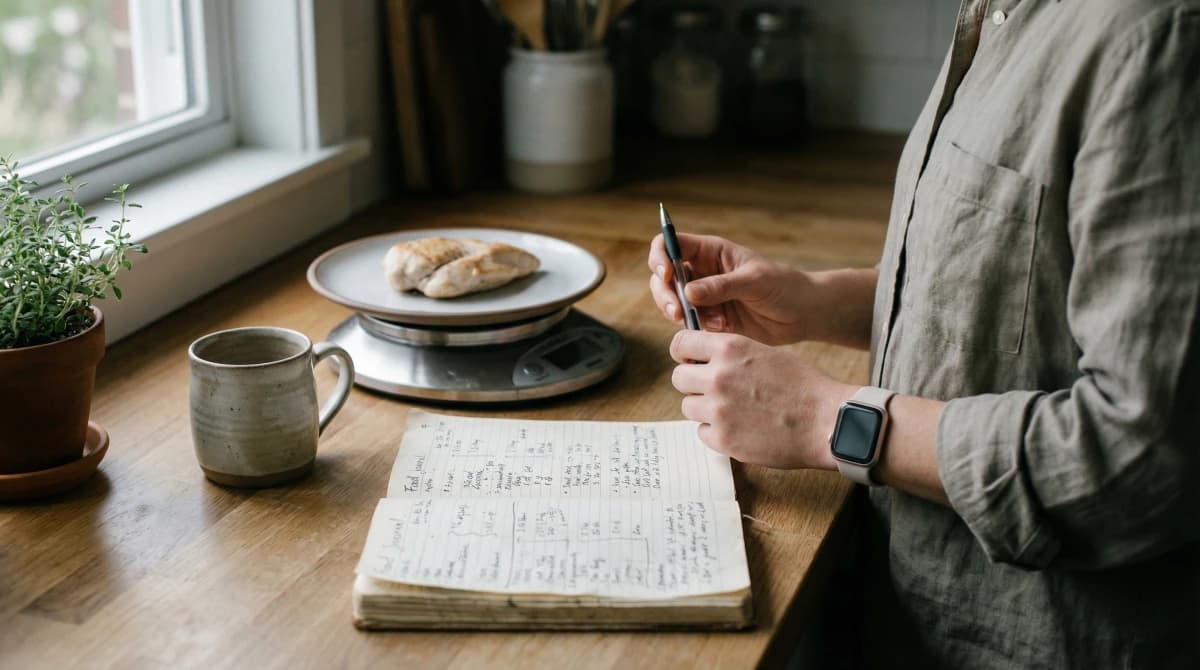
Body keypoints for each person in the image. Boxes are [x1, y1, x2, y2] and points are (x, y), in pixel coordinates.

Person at [647, 1, 1200, 667]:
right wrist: (814, 302)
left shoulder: (1159, 41)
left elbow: (1140, 460)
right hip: (906, 607)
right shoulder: (1004, 13)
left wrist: (822, 419)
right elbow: (1023, 288)